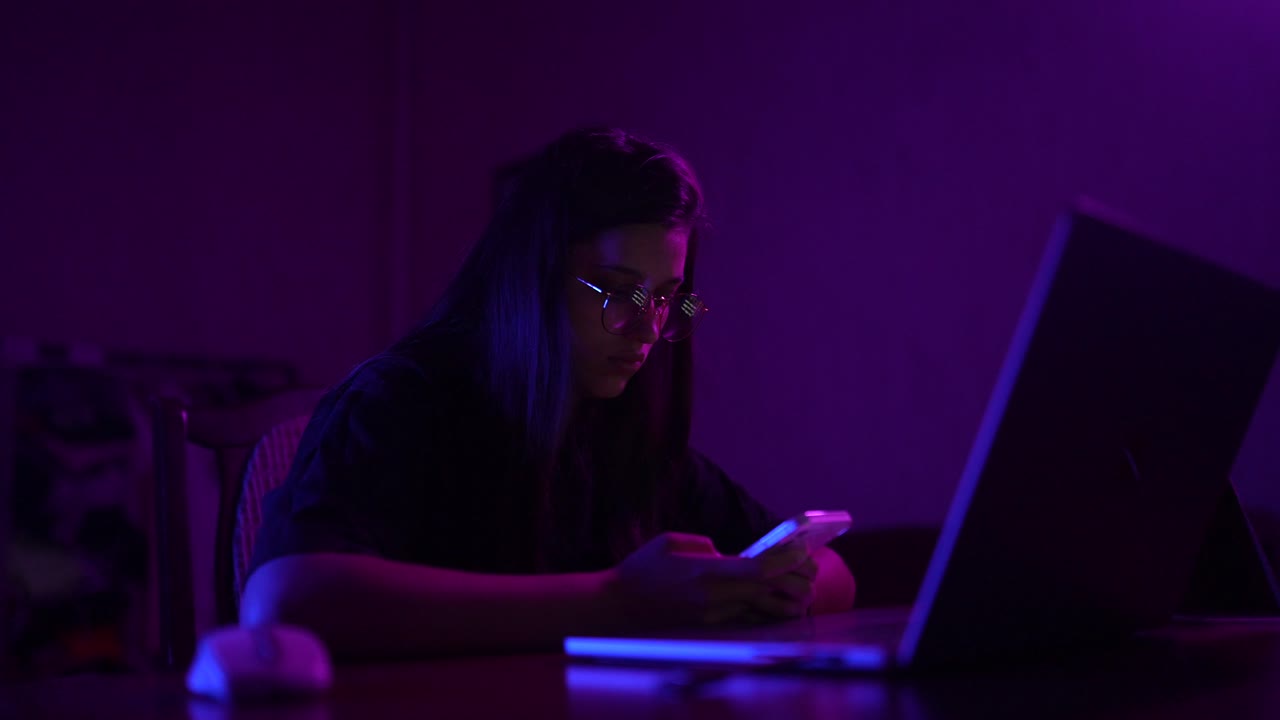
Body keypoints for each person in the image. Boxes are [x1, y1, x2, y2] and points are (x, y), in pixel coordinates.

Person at [239, 127, 856, 660]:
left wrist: (772, 586)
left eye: (664, 299)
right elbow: (284, 599)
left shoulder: (619, 431)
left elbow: (836, 574)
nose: (647, 329)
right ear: (532, 281)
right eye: (617, 289)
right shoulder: (404, 402)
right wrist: (616, 601)